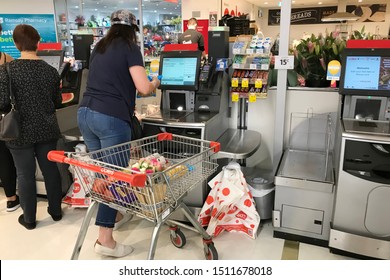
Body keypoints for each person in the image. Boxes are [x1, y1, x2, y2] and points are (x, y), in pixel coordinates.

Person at [77, 9, 160, 258]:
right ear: (132, 30)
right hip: (110, 118)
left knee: (103, 172)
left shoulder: (99, 47)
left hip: (85, 114)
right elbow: (143, 87)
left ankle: (116, 213)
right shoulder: (130, 47)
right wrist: (157, 82)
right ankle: (105, 240)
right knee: (114, 178)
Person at [0, 24, 63, 230]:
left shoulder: (7, 70)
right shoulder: (51, 71)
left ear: (16, 44)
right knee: (51, 171)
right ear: (38, 43)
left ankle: (29, 219)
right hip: (47, 128)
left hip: (19, 132)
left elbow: (2, 103)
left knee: (24, 175)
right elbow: (57, 102)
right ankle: (55, 212)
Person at [0, 23, 20, 212]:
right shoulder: (6, 60)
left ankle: (11, 197)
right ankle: (12, 198)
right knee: (6, 157)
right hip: (5, 117)